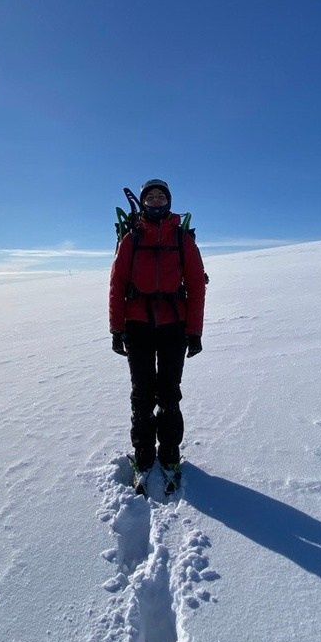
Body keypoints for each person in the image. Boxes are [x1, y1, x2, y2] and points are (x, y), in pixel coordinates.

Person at [109, 179, 206, 482]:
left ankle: (169, 456)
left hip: (173, 327)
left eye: (159, 196)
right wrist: (116, 327)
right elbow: (116, 284)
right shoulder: (131, 239)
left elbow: (195, 287)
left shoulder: (182, 240)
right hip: (137, 326)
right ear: (143, 202)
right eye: (149, 196)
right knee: (141, 394)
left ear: (168, 202)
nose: (154, 200)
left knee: (168, 394)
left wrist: (194, 331)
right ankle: (143, 455)